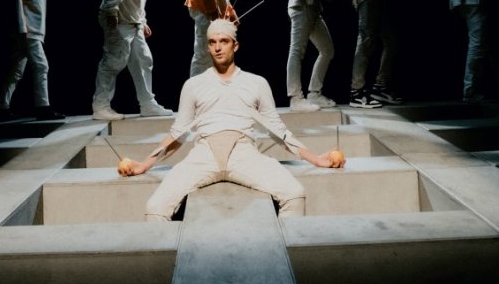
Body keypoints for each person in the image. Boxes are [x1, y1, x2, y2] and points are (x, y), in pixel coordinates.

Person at [119, 18, 345, 221]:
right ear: (207, 46)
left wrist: (316, 159)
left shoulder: (257, 83)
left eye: (224, 41)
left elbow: (277, 130)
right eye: (212, 42)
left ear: (235, 45)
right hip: (203, 154)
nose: (217, 47)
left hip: (243, 153)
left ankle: (285, 253)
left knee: (294, 194)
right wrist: (144, 164)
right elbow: (178, 133)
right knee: (155, 207)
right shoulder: (193, 85)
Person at [91, 0, 174, 120]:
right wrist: (111, 11)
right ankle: (100, 106)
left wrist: (142, 21)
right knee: (113, 61)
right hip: (119, 20)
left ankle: (147, 104)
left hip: (133, 23)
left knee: (144, 60)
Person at [0, 0, 65, 120]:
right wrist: (23, 28)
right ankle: (43, 107)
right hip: (29, 31)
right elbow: (18, 2)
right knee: (42, 66)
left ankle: (2, 108)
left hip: (32, 31)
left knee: (16, 71)